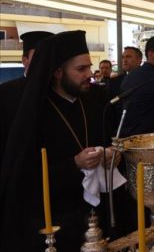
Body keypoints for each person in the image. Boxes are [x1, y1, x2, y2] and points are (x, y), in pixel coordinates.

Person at [0, 31, 120, 251]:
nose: (90, 74)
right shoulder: (33, 112)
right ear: (57, 72)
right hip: (51, 221)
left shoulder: (93, 101)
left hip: (93, 216)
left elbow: (105, 140)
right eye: (81, 69)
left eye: (89, 67)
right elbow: (21, 176)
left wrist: (111, 155)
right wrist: (74, 164)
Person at [0, 31, 53, 168]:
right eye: (39, 57)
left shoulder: (57, 91)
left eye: (49, 57)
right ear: (25, 60)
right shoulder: (5, 92)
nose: (45, 62)